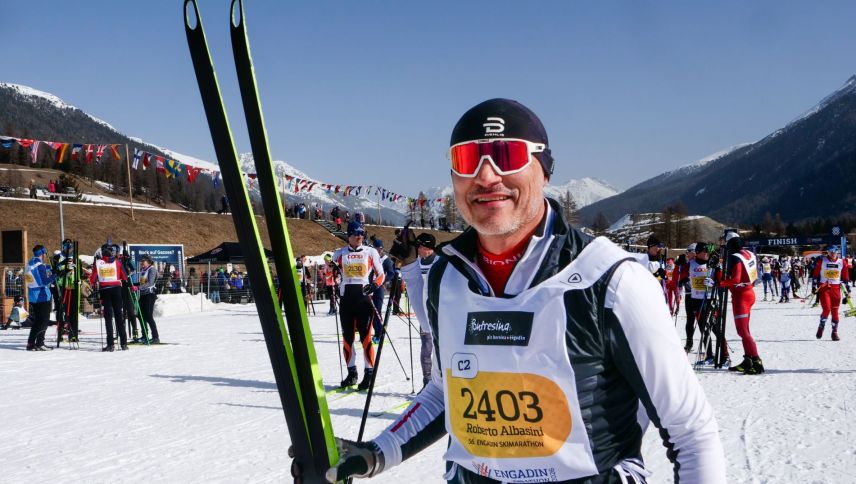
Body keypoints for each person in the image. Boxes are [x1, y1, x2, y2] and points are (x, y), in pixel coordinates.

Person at [310, 98, 724, 483]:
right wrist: (374, 454)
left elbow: (691, 434)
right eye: (468, 159)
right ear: (455, 178)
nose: (486, 176)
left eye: (507, 155)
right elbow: (445, 389)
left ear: (543, 170)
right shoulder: (446, 277)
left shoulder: (610, 278)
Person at [333, 220, 385, 390]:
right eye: (356, 234)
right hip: (346, 300)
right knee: (347, 339)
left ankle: (369, 374)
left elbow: (381, 274)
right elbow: (329, 276)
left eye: (362, 234)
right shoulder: (339, 254)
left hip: (364, 300)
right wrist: (330, 271)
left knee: (366, 338)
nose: (359, 237)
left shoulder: (370, 252)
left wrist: (375, 285)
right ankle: (352, 373)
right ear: (349, 236)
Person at [715, 232, 762, 374]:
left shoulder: (735, 257)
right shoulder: (748, 253)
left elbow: (735, 279)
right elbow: (754, 276)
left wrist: (719, 283)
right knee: (744, 331)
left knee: (742, 331)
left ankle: (756, 361)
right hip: (748, 292)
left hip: (741, 296)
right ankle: (748, 359)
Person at [400, 232, 438, 388]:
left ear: (427, 247)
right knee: (426, 347)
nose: (417, 249)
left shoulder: (439, 261)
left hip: (437, 313)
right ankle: (426, 380)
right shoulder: (417, 263)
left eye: (419, 246)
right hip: (422, 312)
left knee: (439, 349)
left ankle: (440, 380)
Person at [90, 243, 128, 351]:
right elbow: (124, 277)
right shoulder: (117, 262)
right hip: (116, 290)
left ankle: (110, 344)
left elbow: (92, 280)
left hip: (105, 291)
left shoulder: (98, 263)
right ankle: (124, 343)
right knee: (119, 317)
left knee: (108, 319)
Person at [812, 245, 849, 341]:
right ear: (827, 252)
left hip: (836, 288)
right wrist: (814, 286)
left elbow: (845, 278)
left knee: (835, 311)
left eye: (834, 251)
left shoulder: (842, 262)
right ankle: (822, 325)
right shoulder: (822, 260)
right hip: (824, 288)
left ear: (837, 252)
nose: (832, 253)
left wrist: (847, 292)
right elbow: (815, 274)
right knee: (827, 309)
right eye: (830, 251)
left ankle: (834, 332)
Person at [25, 244, 56, 351]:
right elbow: (44, 281)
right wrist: (54, 275)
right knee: (43, 320)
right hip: (41, 296)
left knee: (37, 321)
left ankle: (30, 343)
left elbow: (37, 273)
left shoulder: (29, 263)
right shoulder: (39, 265)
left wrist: (49, 268)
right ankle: (40, 343)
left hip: (32, 296)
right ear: (42, 254)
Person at [369, 238, 395, 344]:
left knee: (377, 311)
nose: (378, 252)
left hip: (379, 287)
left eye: (379, 249)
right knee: (370, 311)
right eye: (376, 250)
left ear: (382, 249)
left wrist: (382, 281)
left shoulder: (386, 260)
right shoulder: (372, 258)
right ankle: (375, 331)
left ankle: (378, 333)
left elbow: (391, 273)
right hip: (370, 287)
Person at [137, 254, 161, 343]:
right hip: (143, 295)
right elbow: (142, 282)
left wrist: (138, 287)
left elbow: (150, 283)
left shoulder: (152, 270)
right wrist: (134, 285)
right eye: (141, 261)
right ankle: (144, 335)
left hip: (150, 295)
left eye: (143, 261)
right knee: (140, 315)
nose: (142, 263)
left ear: (148, 261)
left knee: (148, 316)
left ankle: (155, 337)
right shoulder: (143, 270)